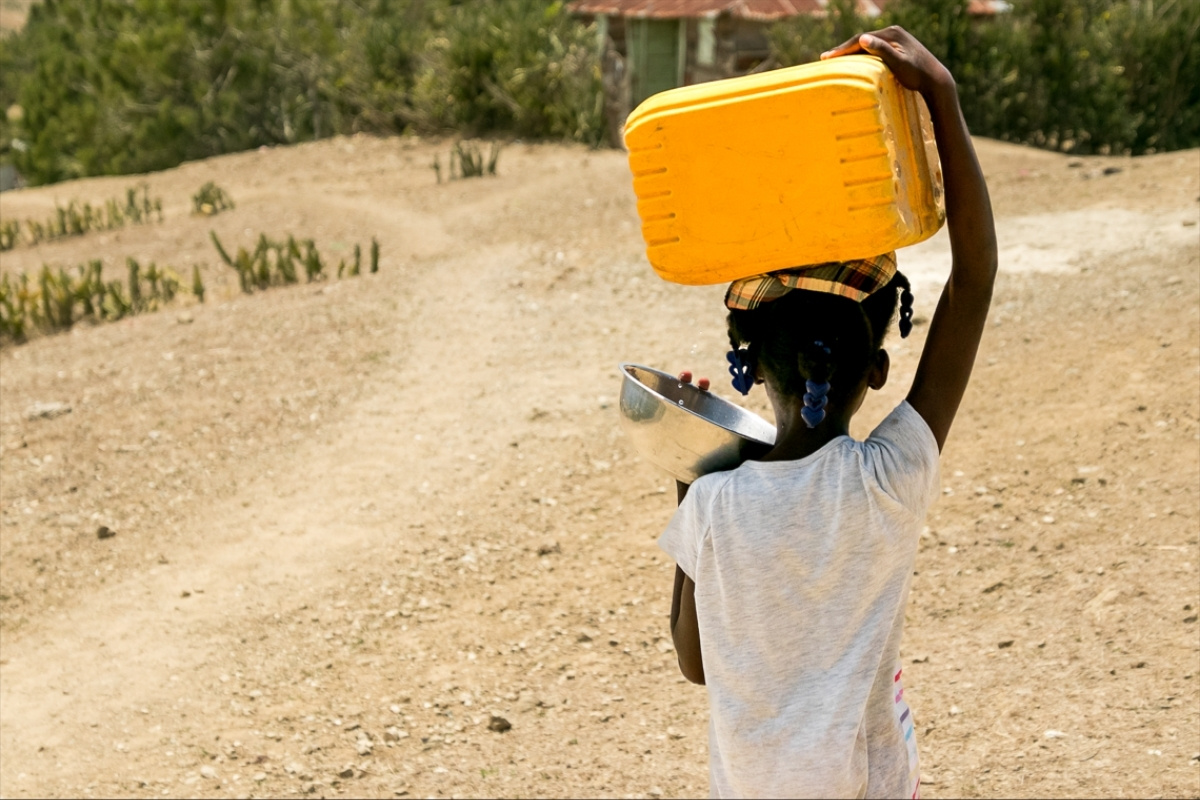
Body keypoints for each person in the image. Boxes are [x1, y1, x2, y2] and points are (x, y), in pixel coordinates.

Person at [658, 27, 998, 799]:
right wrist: (940, 94)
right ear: (876, 368)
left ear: (747, 361)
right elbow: (974, 281)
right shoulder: (887, 481)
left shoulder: (714, 502)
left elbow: (694, 663)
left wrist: (688, 464)